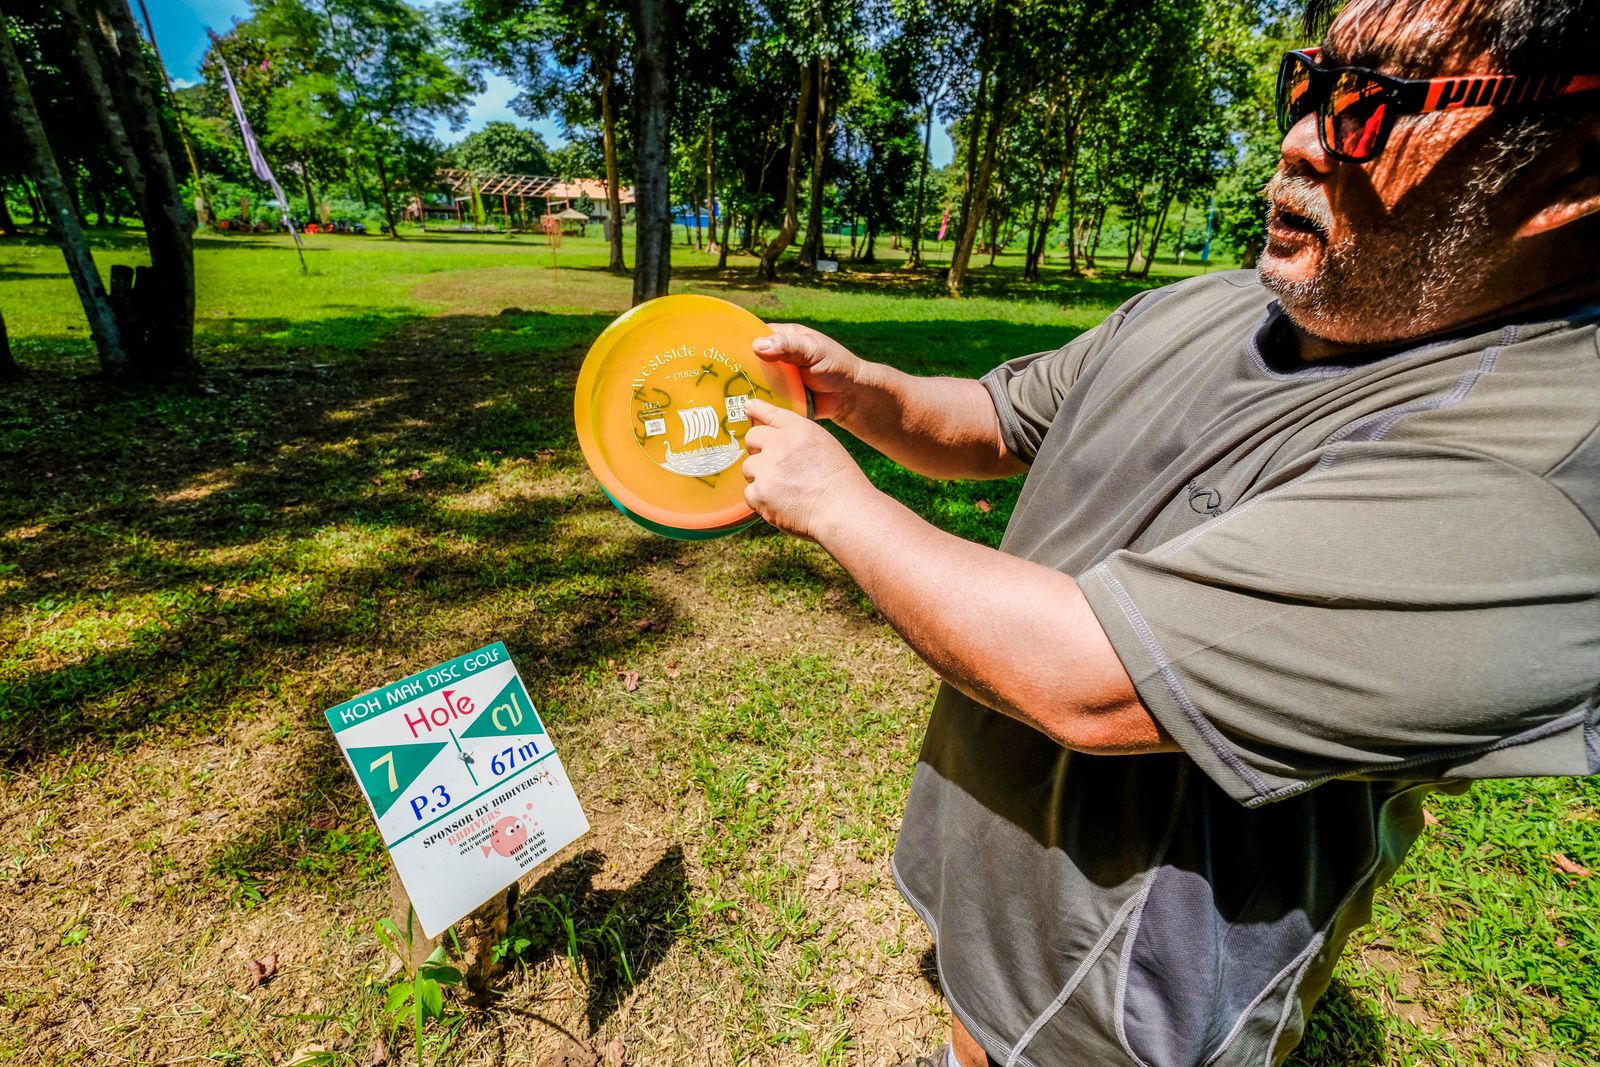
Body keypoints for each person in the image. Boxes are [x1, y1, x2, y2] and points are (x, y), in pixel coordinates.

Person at [737, 0, 1600, 1063]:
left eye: (1374, 100)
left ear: (1575, 161)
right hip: (998, 854)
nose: (1301, 135)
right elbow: (997, 419)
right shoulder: (1203, 306)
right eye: (1308, 83)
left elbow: (1088, 682)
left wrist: (831, 499)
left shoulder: (1537, 469)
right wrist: (865, 393)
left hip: (1132, 988)